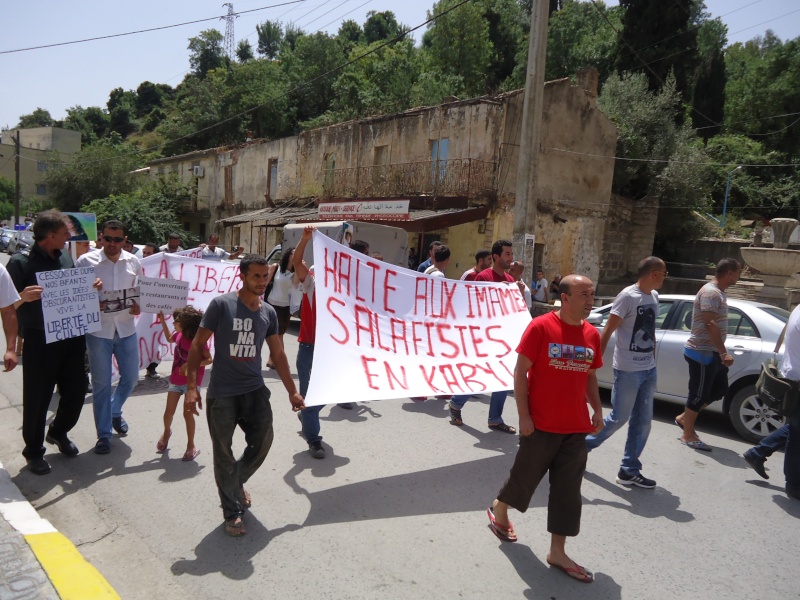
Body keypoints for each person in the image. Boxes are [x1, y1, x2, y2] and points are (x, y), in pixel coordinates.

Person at [487, 274, 603, 584]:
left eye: (592, 294)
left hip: (575, 429)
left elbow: (590, 376)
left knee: (568, 492)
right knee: (525, 479)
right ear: (565, 298)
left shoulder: (592, 334)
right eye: (584, 294)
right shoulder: (540, 327)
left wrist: (597, 409)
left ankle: (557, 551)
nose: (591, 300)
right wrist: (523, 416)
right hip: (541, 425)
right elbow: (520, 373)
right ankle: (500, 509)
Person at [184, 254, 305, 536]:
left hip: (255, 391)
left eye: (265, 277)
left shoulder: (269, 313)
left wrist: (293, 392)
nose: (262, 282)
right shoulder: (221, 305)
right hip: (222, 394)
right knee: (223, 453)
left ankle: (234, 482)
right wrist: (192, 387)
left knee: (263, 440)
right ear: (243, 276)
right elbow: (197, 345)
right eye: (256, 276)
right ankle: (232, 512)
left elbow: (278, 354)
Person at [8, 210, 86, 475]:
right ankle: (34, 452)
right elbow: (4, 305)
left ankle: (58, 432)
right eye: (65, 233)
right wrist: (22, 296)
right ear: (51, 235)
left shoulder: (65, 256)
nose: (69, 237)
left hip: (72, 335)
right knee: (38, 398)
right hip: (40, 339)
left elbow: (75, 289)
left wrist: (90, 287)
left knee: (76, 390)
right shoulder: (21, 263)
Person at [585, 256, 668, 489]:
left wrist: (651, 359)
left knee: (643, 422)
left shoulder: (653, 296)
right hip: (628, 369)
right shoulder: (627, 296)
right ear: (654, 274)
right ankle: (581, 447)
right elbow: (609, 329)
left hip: (648, 368)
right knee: (619, 417)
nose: (665, 278)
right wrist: (595, 362)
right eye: (664, 273)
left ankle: (629, 470)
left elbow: (649, 329)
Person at [77, 219, 143, 454]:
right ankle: (103, 434)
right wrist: (89, 291)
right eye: (108, 238)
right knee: (102, 385)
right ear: (101, 238)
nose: (112, 244)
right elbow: (75, 297)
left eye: (118, 239)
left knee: (131, 378)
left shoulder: (134, 262)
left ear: (125, 240)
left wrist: (138, 306)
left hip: (126, 329)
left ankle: (114, 411)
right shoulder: (86, 262)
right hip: (98, 332)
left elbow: (140, 293)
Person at [448, 240, 517, 433]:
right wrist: (495, 291)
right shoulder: (483, 277)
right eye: (507, 254)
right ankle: (455, 404)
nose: (511, 258)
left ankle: (495, 418)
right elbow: (474, 305)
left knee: (504, 377)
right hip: (485, 337)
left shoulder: (511, 281)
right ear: (496, 257)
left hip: (503, 337)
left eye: (511, 254)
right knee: (480, 375)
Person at [675, 258, 741, 451]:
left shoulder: (718, 293)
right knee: (698, 394)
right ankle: (687, 434)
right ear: (729, 273)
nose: (739, 277)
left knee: (719, 389)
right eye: (738, 273)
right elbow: (709, 323)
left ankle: (684, 418)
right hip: (701, 352)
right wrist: (723, 352)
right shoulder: (711, 293)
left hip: (711, 352)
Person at [155, 307, 212, 461]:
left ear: (185, 325)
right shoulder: (178, 335)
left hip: (191, 383)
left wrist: (192, 365)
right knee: (168, 412)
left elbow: (209, 359)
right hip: (176, 380)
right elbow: (168, 338)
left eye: (177, 321)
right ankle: (167, 432)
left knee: (188, 415)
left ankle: (191, 445)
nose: (173, 323)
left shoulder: (198, 341)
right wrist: (161, 320)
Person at [293, 227, 326, 458]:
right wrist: (304, 240)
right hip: (309, 348)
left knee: (334, 393)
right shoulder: (312, 286)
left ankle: (306, 414)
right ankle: (314, 440)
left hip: (331, 351)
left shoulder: (342, 292)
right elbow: (296, 263)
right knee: (310, 395)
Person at [265, 248, 295, 369]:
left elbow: (298, 285)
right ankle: (279, 361)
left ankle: (274, 359)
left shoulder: (297, 271)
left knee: (278, 334)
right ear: (288, 255)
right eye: (294, 253)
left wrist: (299, 266)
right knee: (275, 334)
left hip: (286, 307)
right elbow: (265, 283)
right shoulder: (275, 267)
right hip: (272, 304)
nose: (296, 255)